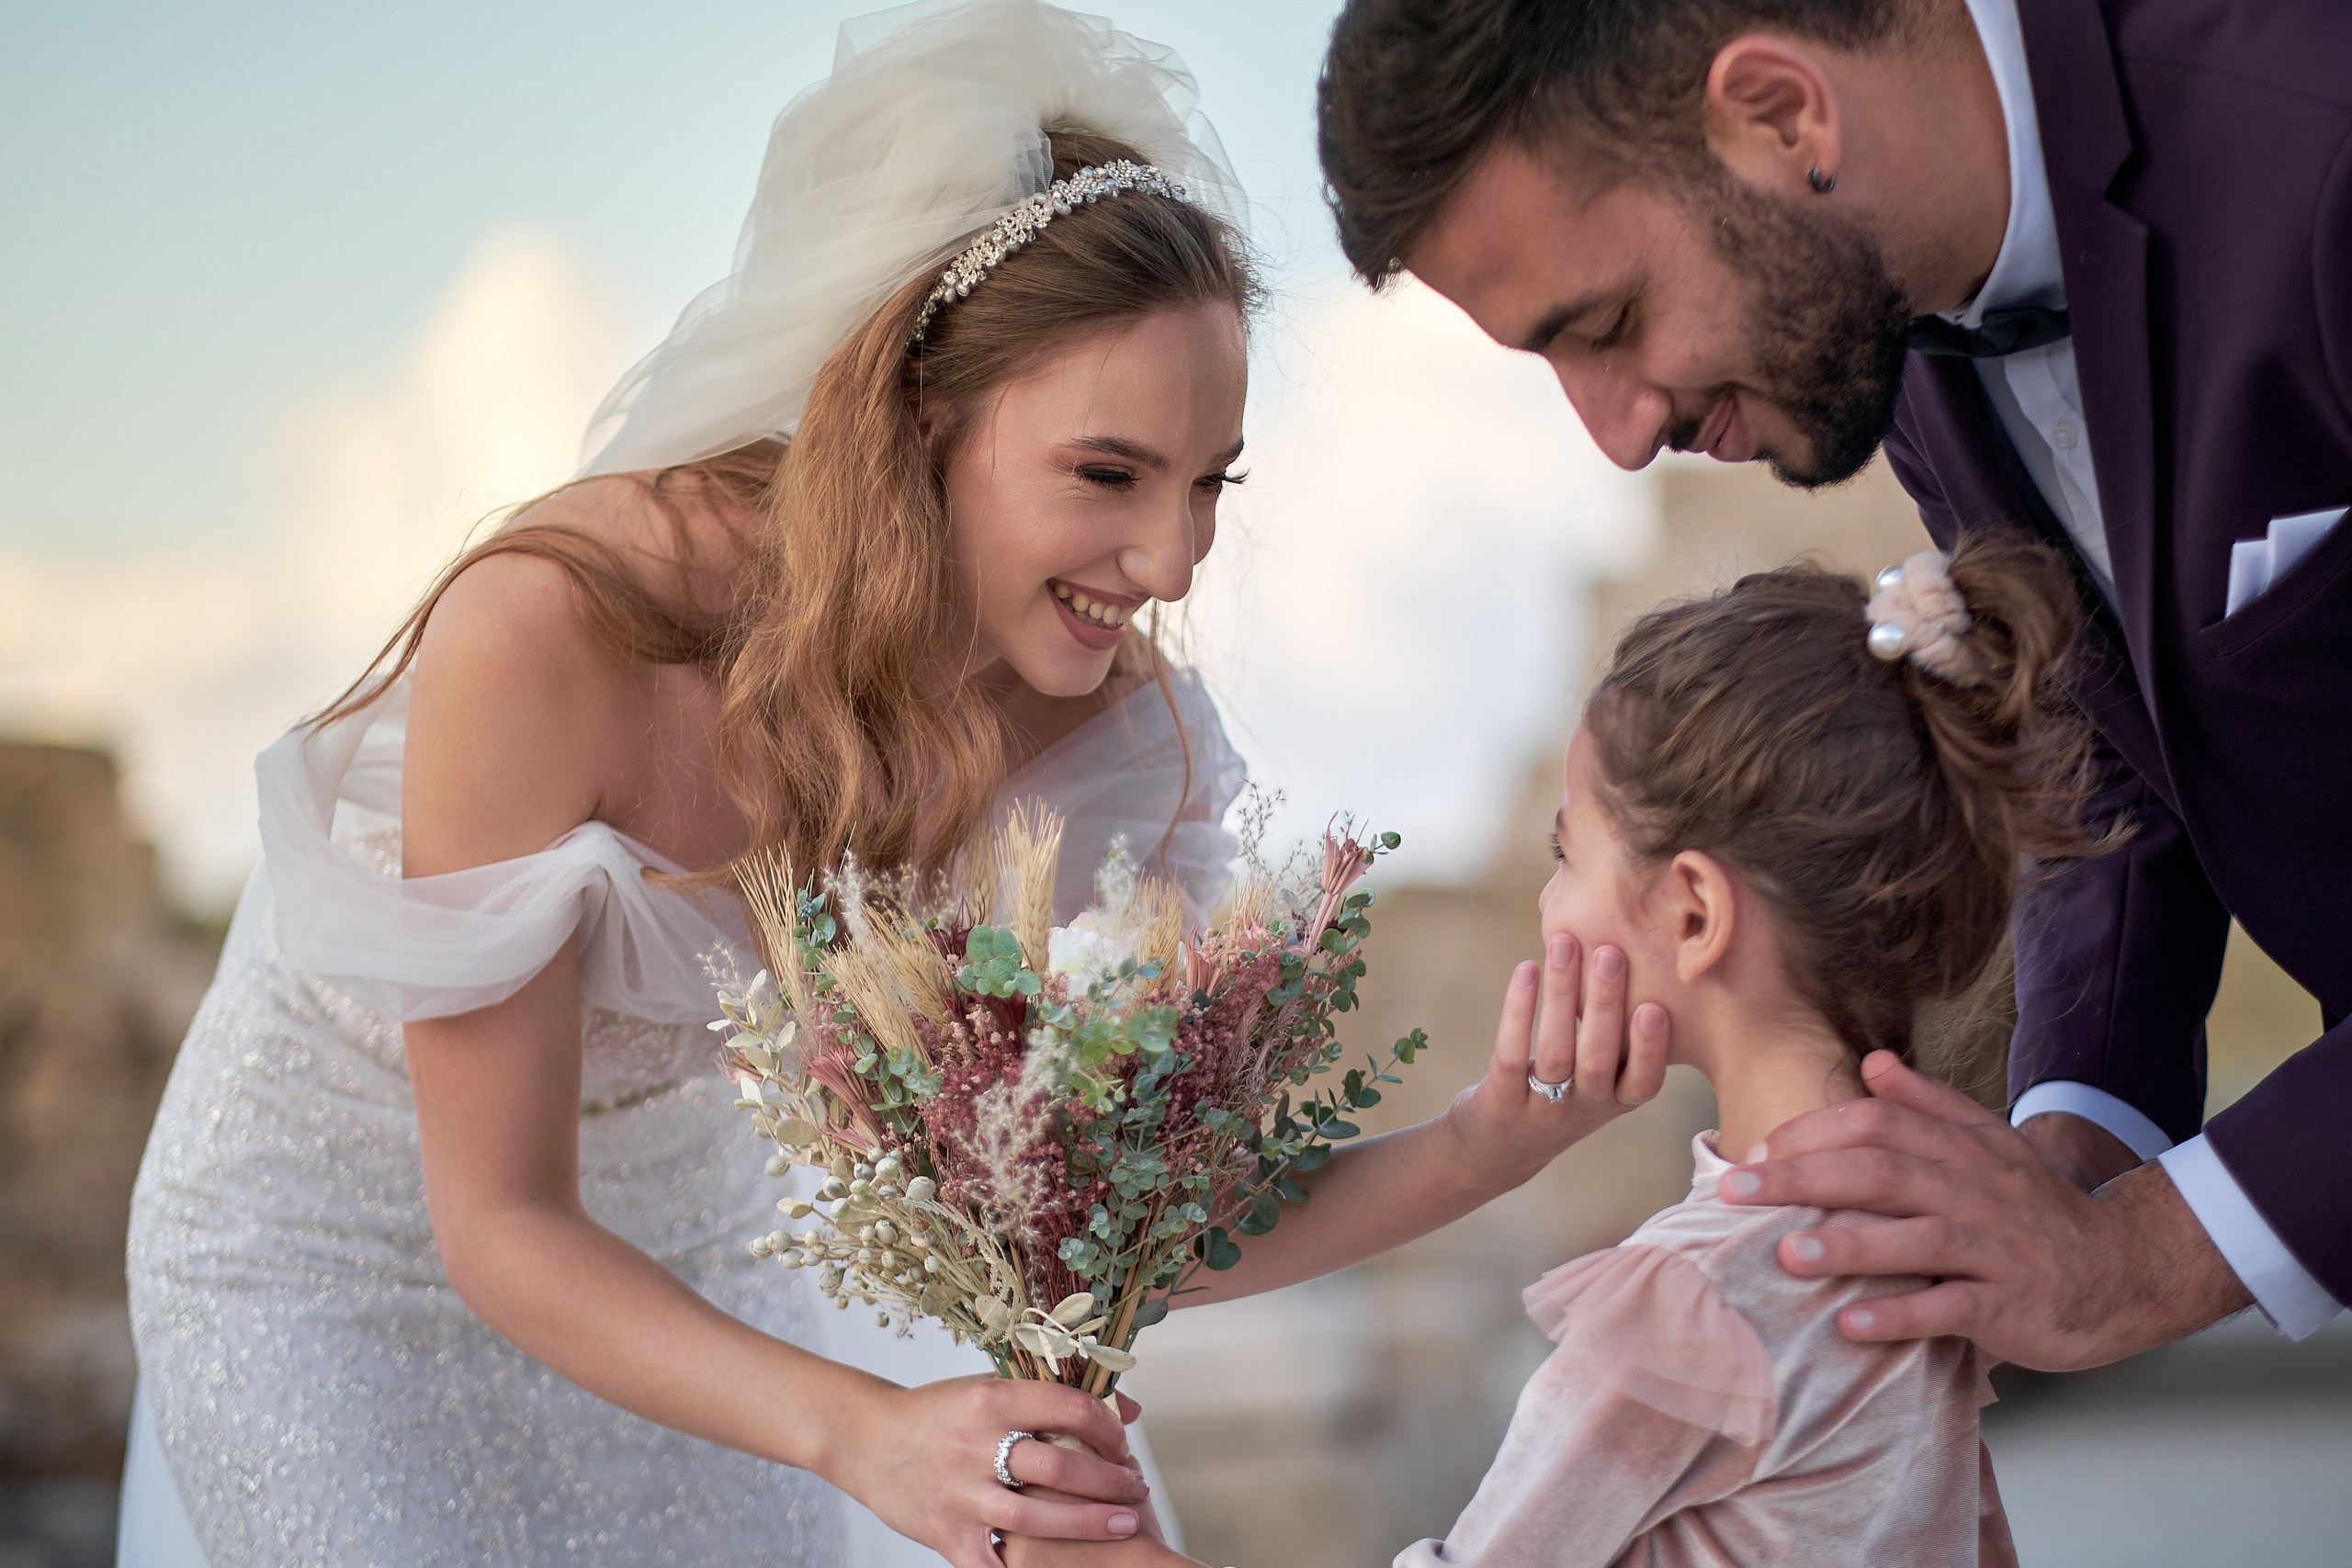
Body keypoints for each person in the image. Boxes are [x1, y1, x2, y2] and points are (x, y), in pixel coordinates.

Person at [118, 6, 1667, 1564]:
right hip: (336, 1246)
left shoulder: (1089, 745)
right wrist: (861, 1424)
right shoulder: (557, 630)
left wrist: (1487, 1140)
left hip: (690, 1247)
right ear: (925, 423)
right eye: (1108, 475)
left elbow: (1112, 1226)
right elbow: (504, 1219)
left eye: (1212, 484)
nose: (1174, 560)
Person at [1315, 0, 2352, 1371]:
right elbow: (2113, 746)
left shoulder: (2322, 142)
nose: (1620, 434)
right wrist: (2067, 1150)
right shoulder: (1883, 318)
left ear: (1785, 115)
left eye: (1609, 323)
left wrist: (2152, 1251)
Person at [1008, 536, 2091, 1567]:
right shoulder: (1924, 1249)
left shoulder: (1687, 1308)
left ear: (1695, 914)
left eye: (1566, 851)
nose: (1545, 898)